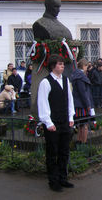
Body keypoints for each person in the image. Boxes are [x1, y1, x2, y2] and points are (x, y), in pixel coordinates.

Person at [37, 54, 75, 192]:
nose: (62, 66)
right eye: (60, 64)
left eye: (63, 64)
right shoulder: (45, 82)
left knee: (64, 151)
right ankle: (53, 181)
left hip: (65, 122)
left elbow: (70, 100)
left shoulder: (65, 80)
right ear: (53, 66)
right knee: (53, 153)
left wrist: (71, 117)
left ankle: (63, 178)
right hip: (53, 124)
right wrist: (48, 122)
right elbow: (43, 103)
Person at [71, 59, 95, 144]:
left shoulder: (77, 75)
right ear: (84, 66)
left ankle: (79, 141)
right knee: (84, 125)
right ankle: (83, 143)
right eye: (86, 67)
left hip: (78, 103)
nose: (87, 69)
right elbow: (83, 92)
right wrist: (88, 104)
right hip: (82, 104)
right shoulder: (81, 76)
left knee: (80, 125)